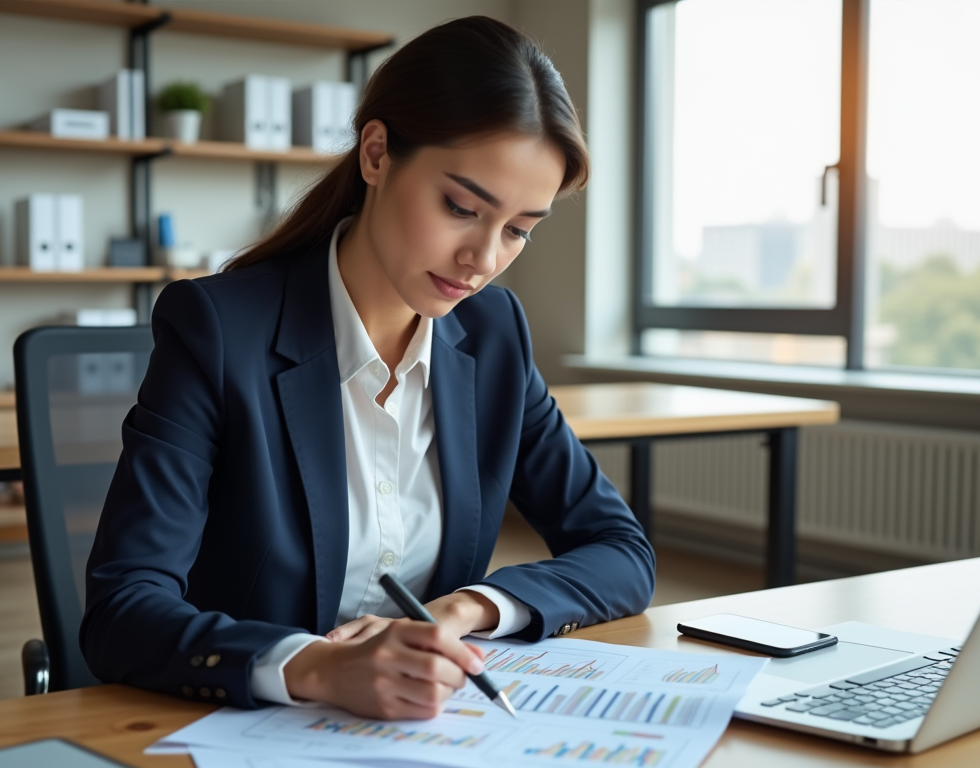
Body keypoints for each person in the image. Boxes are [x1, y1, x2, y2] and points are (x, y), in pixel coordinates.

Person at [81, 16, 655, 721]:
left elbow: (620, 550)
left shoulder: (494, 334)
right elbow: (122, 611)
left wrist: (468, 609)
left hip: (419, 737)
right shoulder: (218, 330)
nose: (484, 259)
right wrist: (318, 667)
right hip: (241, 730)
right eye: (461, 208)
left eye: (518, 231)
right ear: (377, 154)